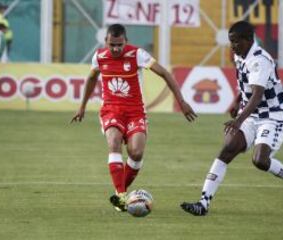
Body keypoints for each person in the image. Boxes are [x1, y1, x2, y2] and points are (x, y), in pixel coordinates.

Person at [180, 21, 283, 216]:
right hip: (252, 114)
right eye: (231, 42)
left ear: (249, 40)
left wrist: (239, 119)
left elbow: (257, 95)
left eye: (236, 42)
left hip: (273, 115)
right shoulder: (241, 56)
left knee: (260, 161)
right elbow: (246, 87)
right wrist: (235, 102)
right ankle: (203, 203)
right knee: (227, 149)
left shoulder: (260, 60)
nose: (232, 46)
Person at [71, 24, 197, 212]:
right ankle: (121, 196)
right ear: (105, 41)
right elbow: (91, 79)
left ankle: (123, 192)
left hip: (135, 112)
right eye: (112, 44)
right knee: (113, 142)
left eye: (119, 45)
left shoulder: (137, 54)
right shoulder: (99, 57)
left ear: (126, 41)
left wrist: (182, 101)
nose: (115, 49)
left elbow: (165, 73)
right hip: (111, 110)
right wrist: (82, 107)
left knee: (136, 153)